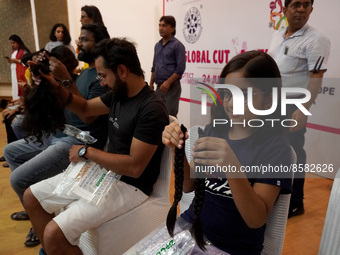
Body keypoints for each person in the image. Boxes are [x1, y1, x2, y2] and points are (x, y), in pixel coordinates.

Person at [23, 37, 168, 255]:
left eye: (103, 75)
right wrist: (54, 83)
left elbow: (134, 166)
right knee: (31, 197)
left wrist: (86, 151)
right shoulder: (119, 95)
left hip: (131, 185)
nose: (100, 81)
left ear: (122, 71)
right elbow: (84, 108)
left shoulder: (151, 108)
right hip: (108, 173)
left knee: (54, 233)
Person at [160, 51, 292, 254]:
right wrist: (176, 149)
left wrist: (232, 166)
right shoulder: (216, 130)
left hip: (230, 247)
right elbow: (188, 185)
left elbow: (255, 219)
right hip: (189, 230)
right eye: (227, 93)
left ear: (269, 100)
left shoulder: (276, 149)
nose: (231, 103)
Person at [3, 23, 110, 247]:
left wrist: (63, 79)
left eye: (85, 39)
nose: (79, 43)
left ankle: (38, 220)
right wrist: (39, 78)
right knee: (10, 150)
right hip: (61, 133)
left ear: (99, 44)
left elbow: (88, 116)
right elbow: (61, 97)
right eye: (79, 39)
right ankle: (33, 208)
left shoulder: (101, 77)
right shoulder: (83, 73)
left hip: (79, 141)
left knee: (18, 178)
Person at [267, 0, 330, 218]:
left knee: (293, 153)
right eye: (296, 4)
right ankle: (274, 195)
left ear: (311, 9)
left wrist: (303, 110)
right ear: (285, 10)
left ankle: (295, 202)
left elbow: (316, 77)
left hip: (293, 105)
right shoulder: (278, 33)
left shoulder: (316, 40)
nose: (301, 9)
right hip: (273, 103)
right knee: (274, 150)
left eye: (306, 5)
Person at [150, 15, 186, 117]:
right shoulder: (157, 45)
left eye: (164, 25)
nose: (160, 28)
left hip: (172, 88)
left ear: (172, 28)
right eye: (159, 25)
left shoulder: (177, 46)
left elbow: (180, 69)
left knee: (169, 117)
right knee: (157, 115)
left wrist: (168, 82)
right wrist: (151, 83)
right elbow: (154, 66)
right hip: (159, 88)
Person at [5, 35, 31, 101]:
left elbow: (27, 62)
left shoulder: (24, 51)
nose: (12, 45)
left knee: (21, 88)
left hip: (21, 73)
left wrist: (17, 61)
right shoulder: (13, 52)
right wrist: (11, 61)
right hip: (14, 73)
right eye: (11, 43)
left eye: (13, 43)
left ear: (18, 42)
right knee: (15, 88)